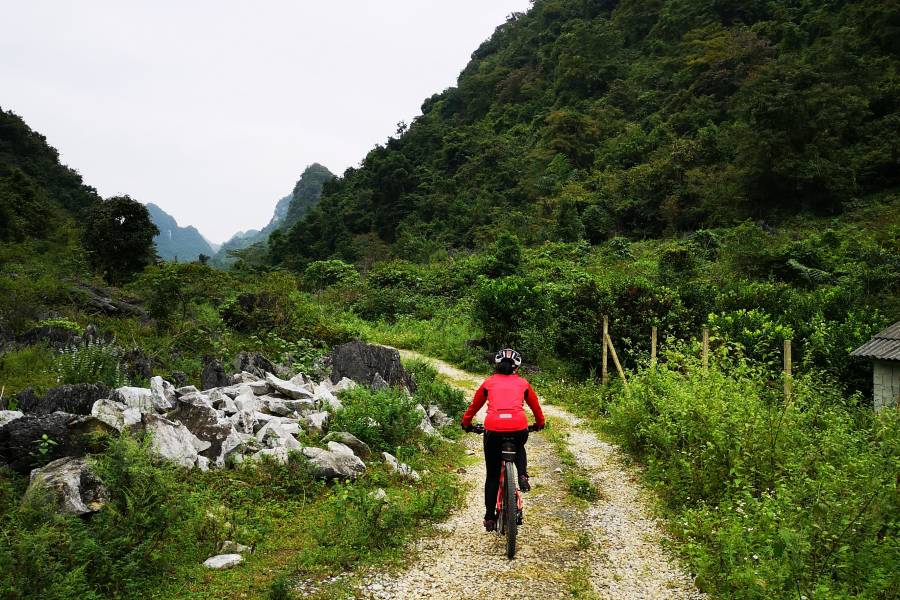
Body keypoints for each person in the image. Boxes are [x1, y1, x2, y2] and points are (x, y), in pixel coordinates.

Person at [461, 348, 545, 531]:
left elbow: (473, 407)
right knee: (519, 444)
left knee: (492, 476)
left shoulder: (488, 383)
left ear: (497, 365)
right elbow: (536, 407)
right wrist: (539, 424)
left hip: (493, 428)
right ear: (517, 367)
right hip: (518, 425)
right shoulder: (523, 383)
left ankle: (490, 518)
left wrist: (466, 424)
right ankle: (522, 474)